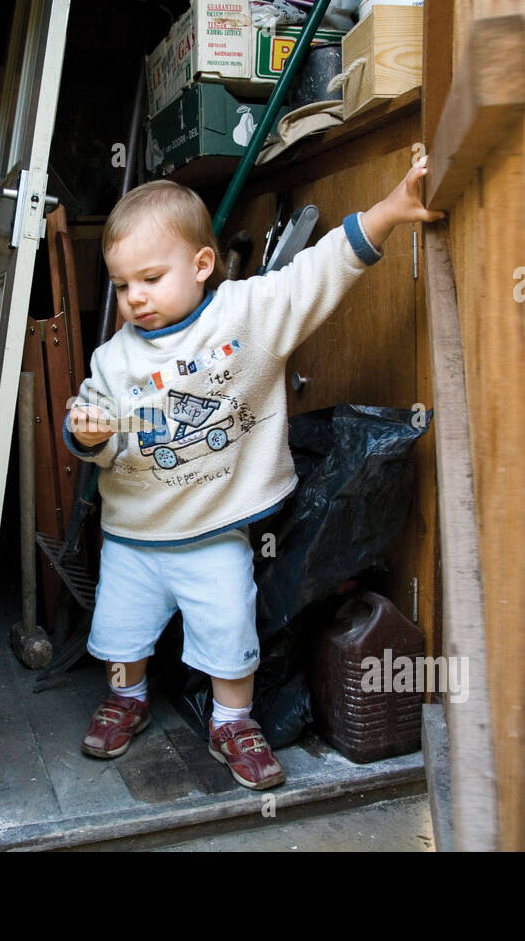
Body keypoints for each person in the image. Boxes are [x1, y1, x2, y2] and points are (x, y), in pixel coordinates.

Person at [62, 153, 443, 790]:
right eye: (122, 285)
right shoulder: (112, 360)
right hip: (133, 536)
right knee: (121, 633)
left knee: (229, 631)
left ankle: (231, 720)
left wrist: (391, 209)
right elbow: (96, 429)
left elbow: (316, 273)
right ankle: (127, 700)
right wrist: (87, 432)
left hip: (216, 532)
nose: (135, 298)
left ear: (202, 264)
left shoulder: (246, 317)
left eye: (151, 278)